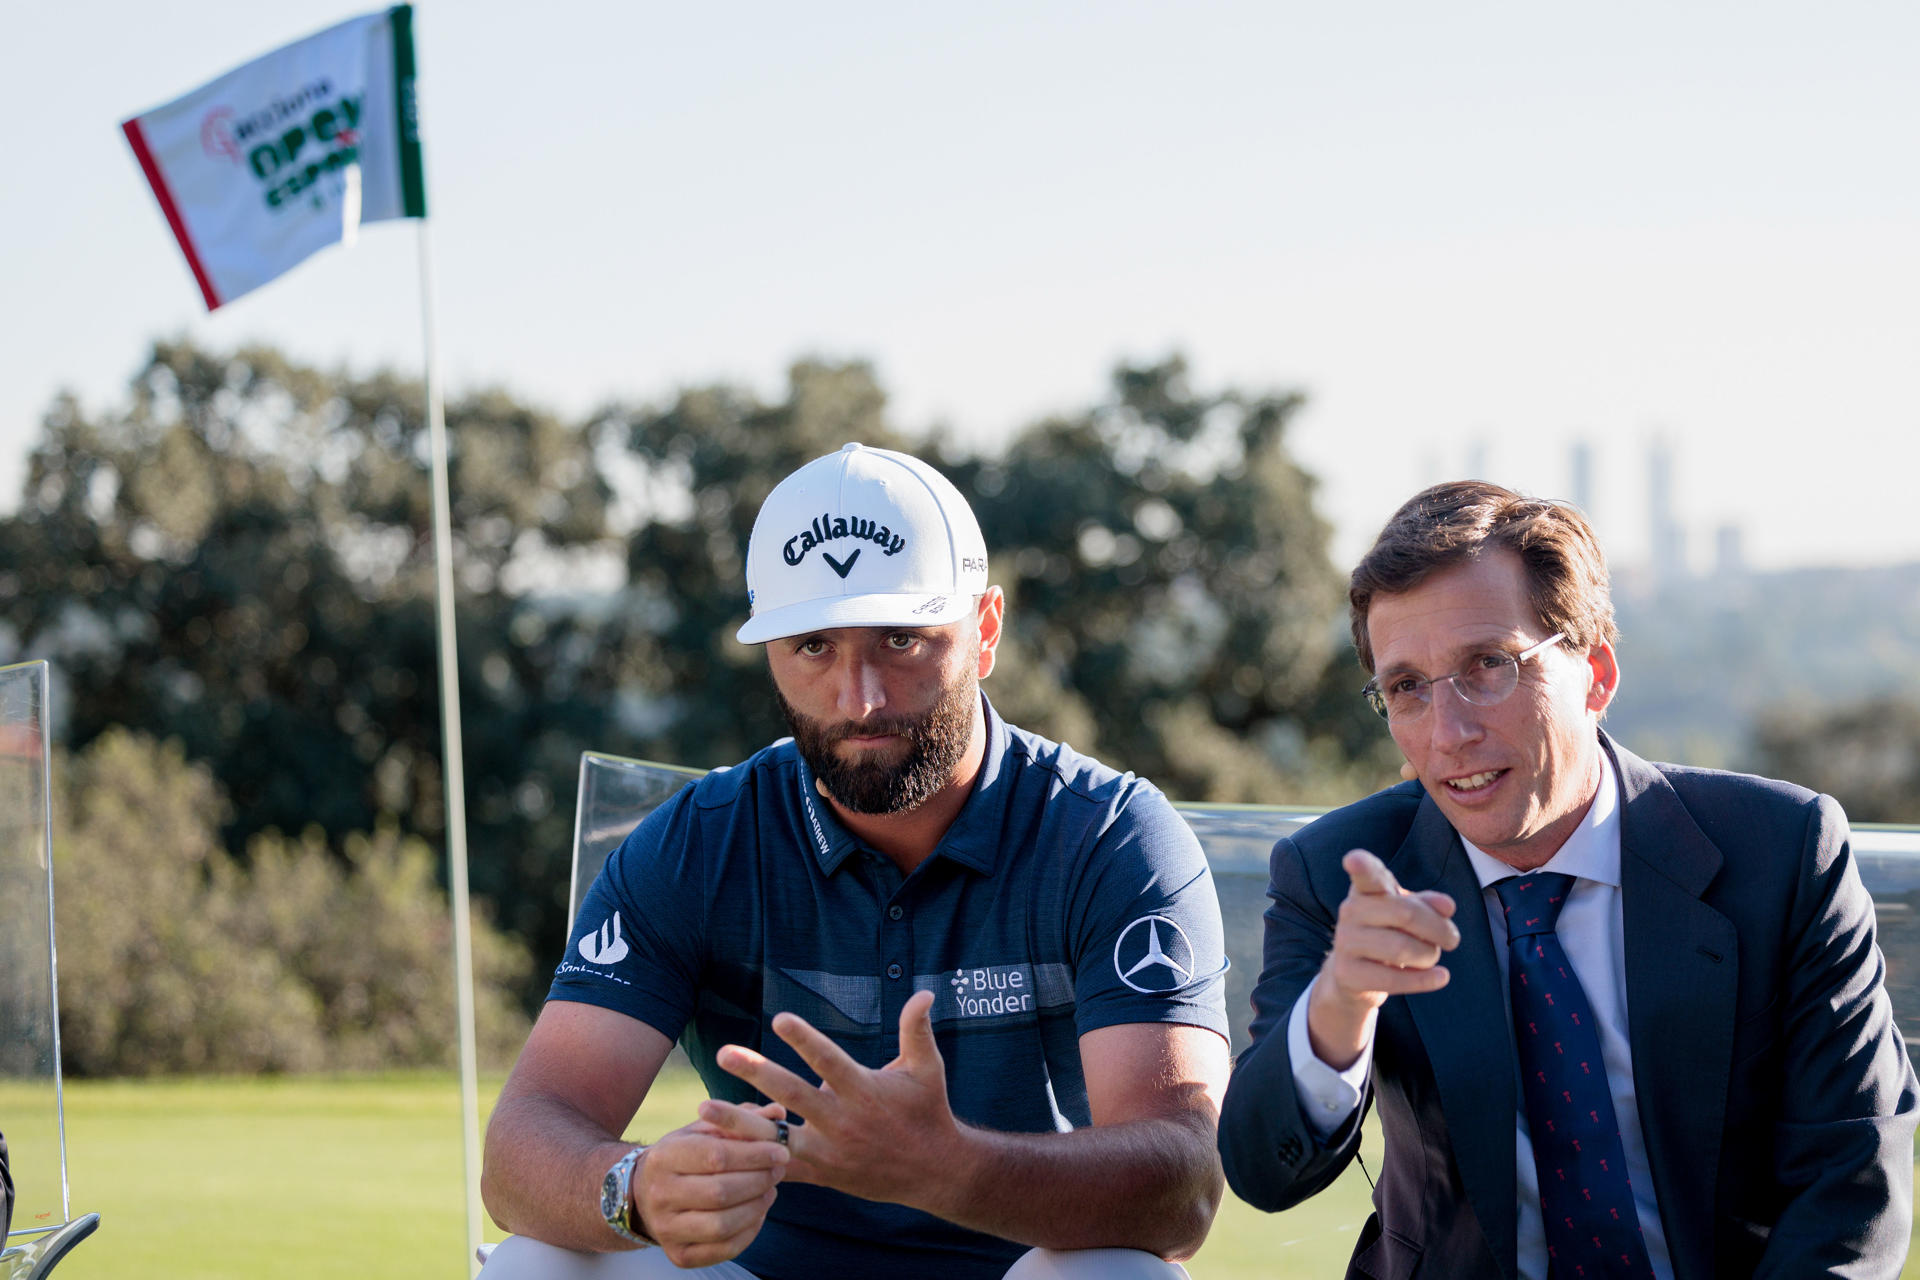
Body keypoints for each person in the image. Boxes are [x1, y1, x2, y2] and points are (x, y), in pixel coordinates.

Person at [481, 443, 1230, 1280]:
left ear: (984, 630)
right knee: (537, 1262)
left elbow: (1184, 1189)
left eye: (902, 640)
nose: (858, 696)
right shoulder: (699, 838)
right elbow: (520, 1149)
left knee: (1118, 1278)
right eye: (812, 647)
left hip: (1023, 1273)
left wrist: (946, 1167)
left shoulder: (1111, 835)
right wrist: (636, 1187)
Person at [1218, 480, 1919, 1279]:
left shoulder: (1782, 852)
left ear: (1595, 675)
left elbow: (1851, 1182)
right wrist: (1338, 1009)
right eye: (1407, 688)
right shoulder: (1341, 875)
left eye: (1488, 665)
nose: (1449, 733)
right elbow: (1262, 1173)